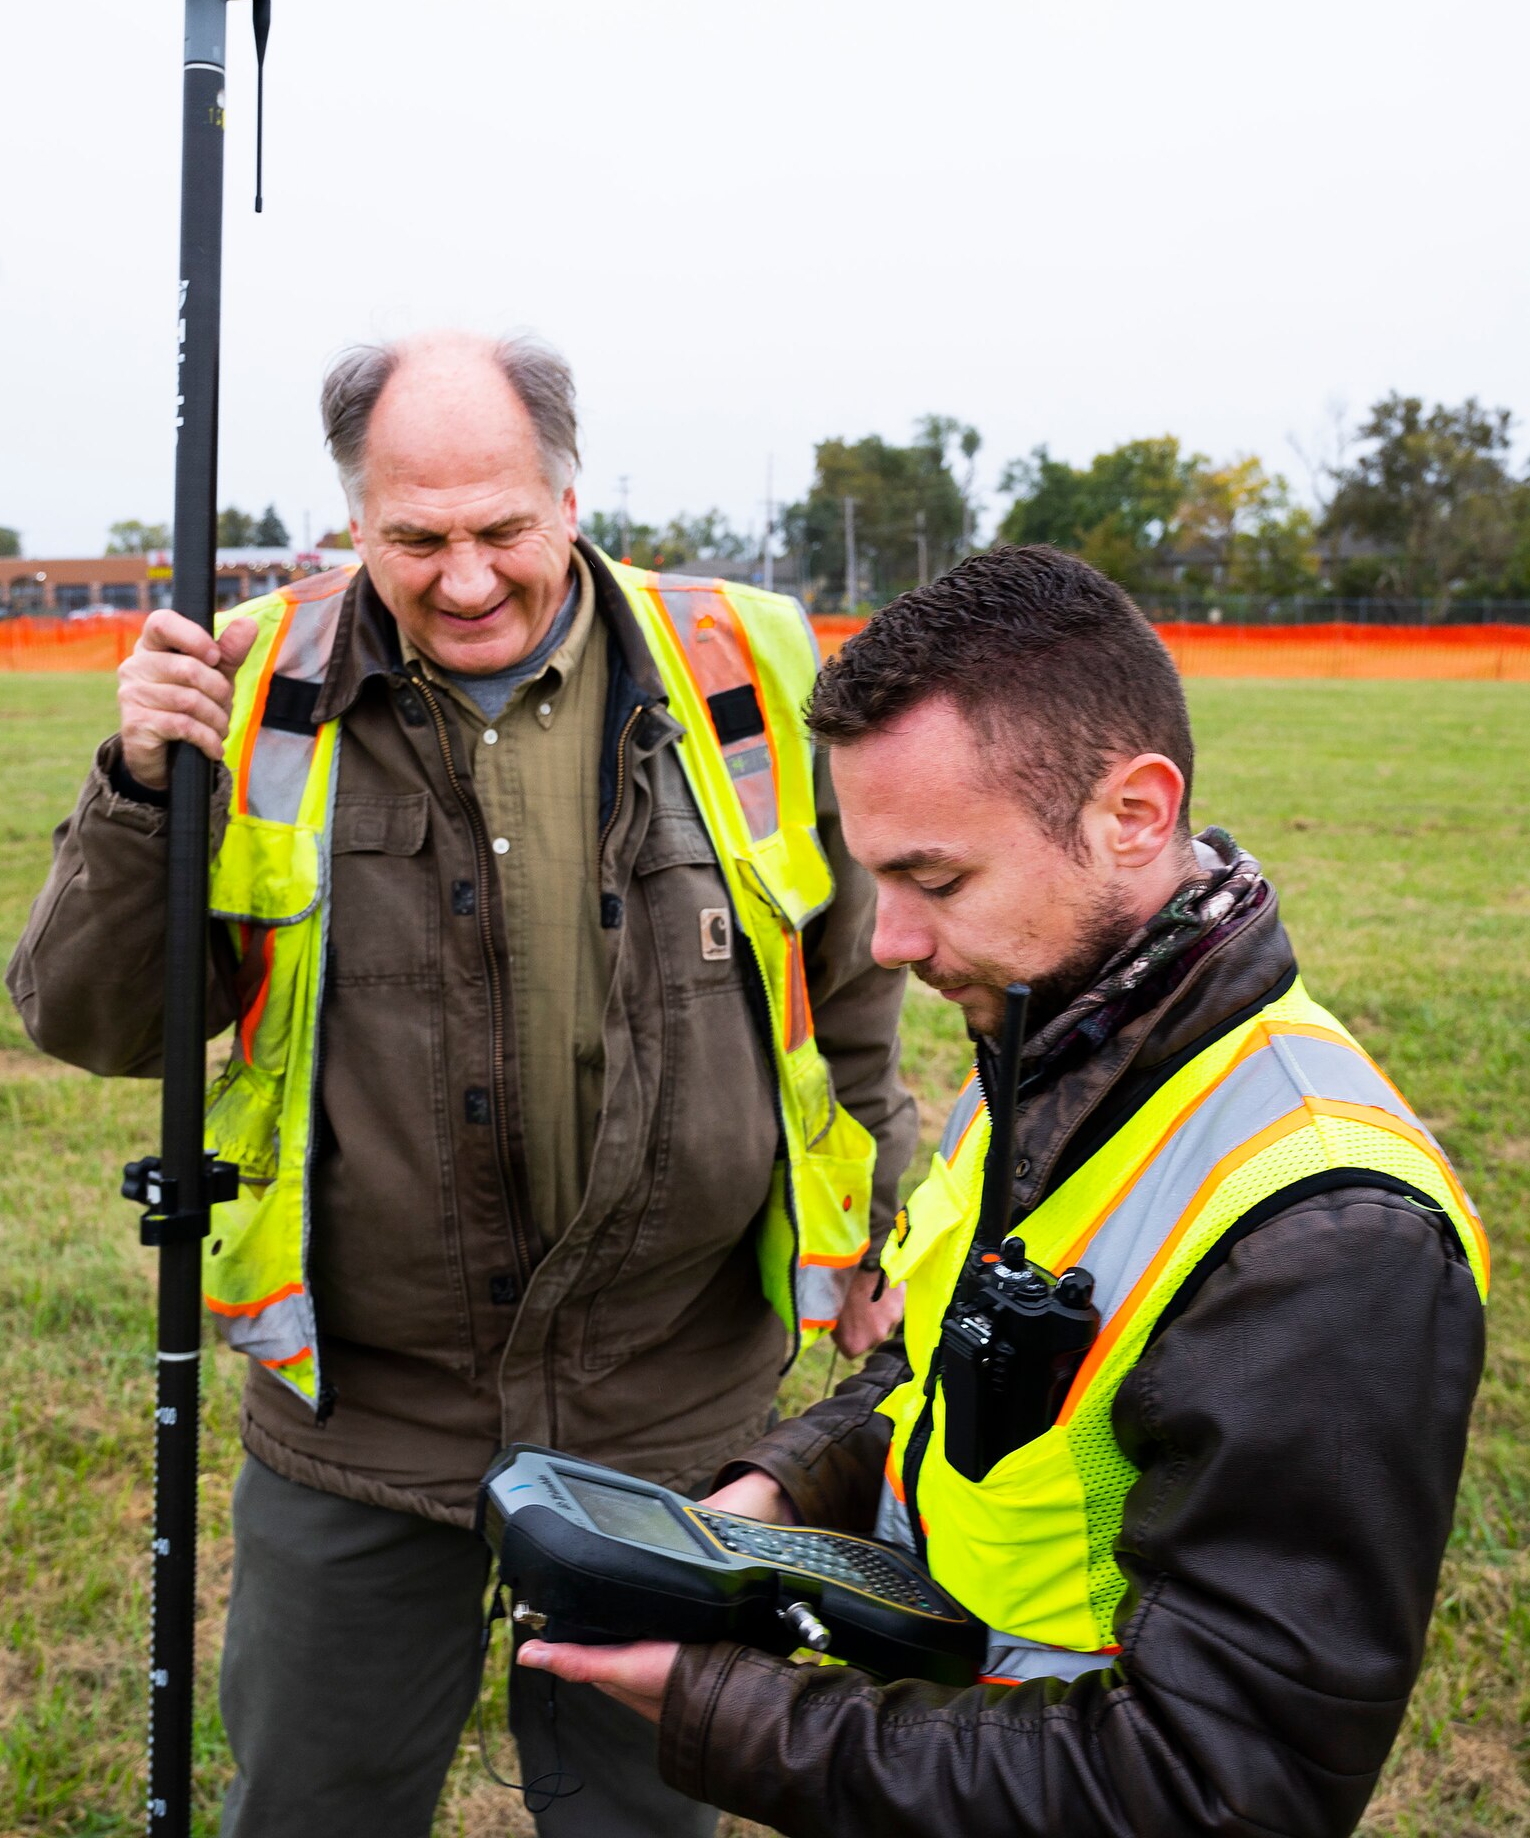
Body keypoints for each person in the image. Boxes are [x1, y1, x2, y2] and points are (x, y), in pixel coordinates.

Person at [7, 331, 915, 1837]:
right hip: (366, 1421)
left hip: (673, 1407)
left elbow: (849, 974)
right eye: (415, 538)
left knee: (643, 1817)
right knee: (314, 1805)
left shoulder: (748, 666)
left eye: (501, 529)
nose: (468, 577)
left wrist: (881, 1206)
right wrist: (140, 787)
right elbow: (93, 1022)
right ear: (351, 521)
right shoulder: (240, 689)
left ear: (569, 495)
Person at [521, 544, 1490, 1838]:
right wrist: (783, 1494)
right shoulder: (1055, 1039)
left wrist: (730, 1717)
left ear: (1134, 815)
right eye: (875, 879)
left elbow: (1217, 1789)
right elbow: (950, 1367)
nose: (885, 942)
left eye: (936, 880)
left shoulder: (1328, 1238)